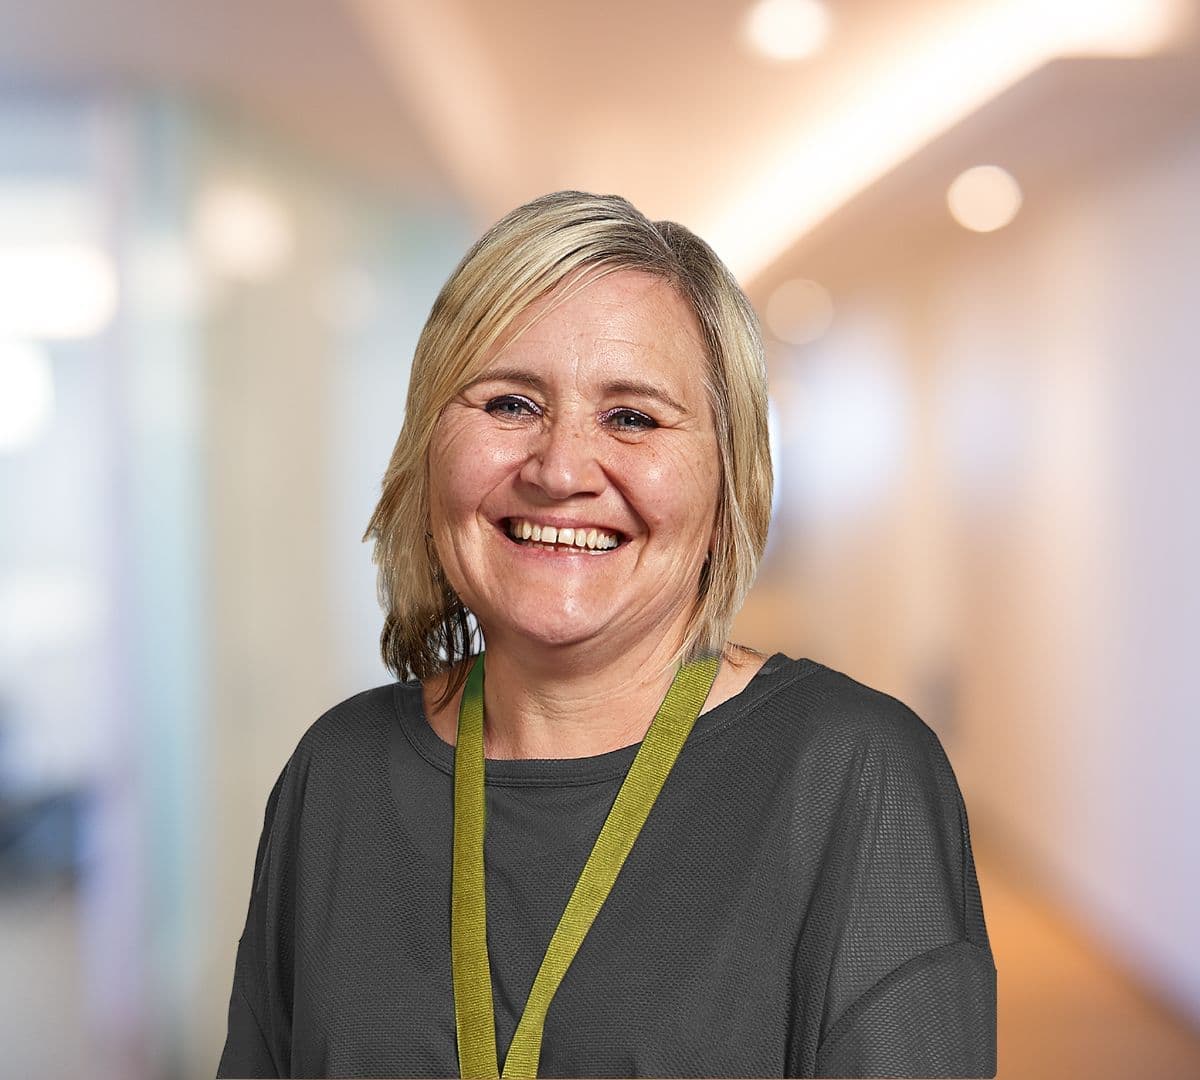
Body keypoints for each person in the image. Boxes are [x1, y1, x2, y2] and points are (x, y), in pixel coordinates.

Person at [216, 190, 997, 1078]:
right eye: (510, 403)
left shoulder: (851, 777)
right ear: (429, 445)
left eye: (632, 417)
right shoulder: (337, 774)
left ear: (728, 477)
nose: (558, 471)